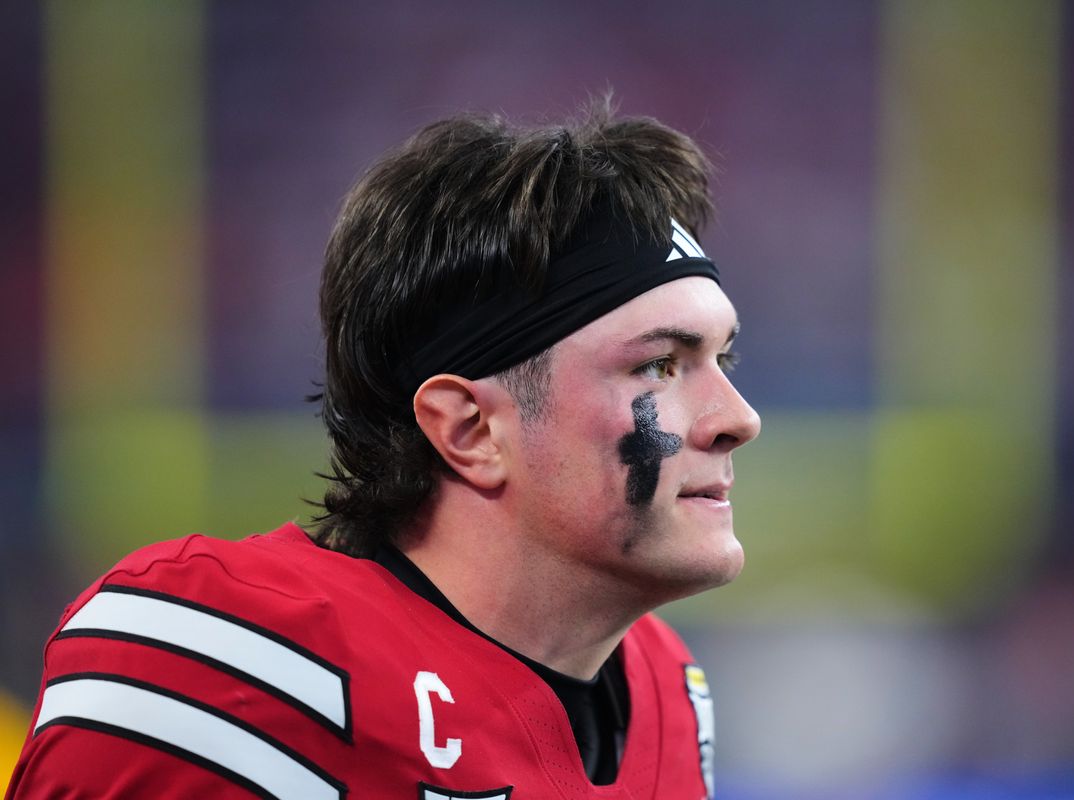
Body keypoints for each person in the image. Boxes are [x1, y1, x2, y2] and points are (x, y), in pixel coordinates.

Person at [6, 99, 760, 799]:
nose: (738, 418)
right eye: (659, 365)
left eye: (721, 358)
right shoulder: (228, 669)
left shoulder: (664, 689)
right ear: (469, 430)